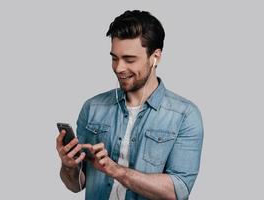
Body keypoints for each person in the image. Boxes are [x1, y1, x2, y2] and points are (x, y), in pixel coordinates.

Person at [56, 10, 204, 200]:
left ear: (155, 57)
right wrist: (68, 166)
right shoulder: (92, 108)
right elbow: (76, 185)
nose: (119, 68)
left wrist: (116, 170)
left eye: (129, 59)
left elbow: (177, 191)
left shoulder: (185, 115)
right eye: (114, 58)